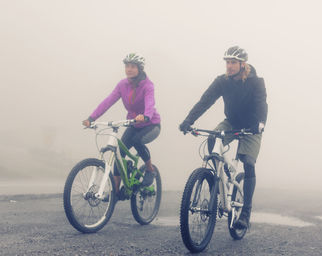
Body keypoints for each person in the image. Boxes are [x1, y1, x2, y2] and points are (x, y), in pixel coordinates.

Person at [179, 46, 268, 230]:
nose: (229, 66)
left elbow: (261, 103)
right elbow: (205, 101)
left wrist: (260, 123)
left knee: (248, 162)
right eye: (227, 62)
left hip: (251, 127)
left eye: (233, 62)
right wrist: (189, 120)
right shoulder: (222, 81)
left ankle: (245, 213)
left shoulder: (256, 82)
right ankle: (221, 181)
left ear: (242, 64)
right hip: (232, 122)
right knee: (212, 139)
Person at [82, 53, 161, 200]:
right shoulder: (122, 85)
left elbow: (150, 103)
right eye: (127, 66)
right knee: (118, 154)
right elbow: (108, 101)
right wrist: (92, 118)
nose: (129, 69)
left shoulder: (147, 85)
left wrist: (145, 115)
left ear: (139, 68)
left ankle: (150, 170)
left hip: (151, 124)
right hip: (133, 123)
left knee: (137, 141)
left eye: (132, 66)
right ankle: (116, 192)